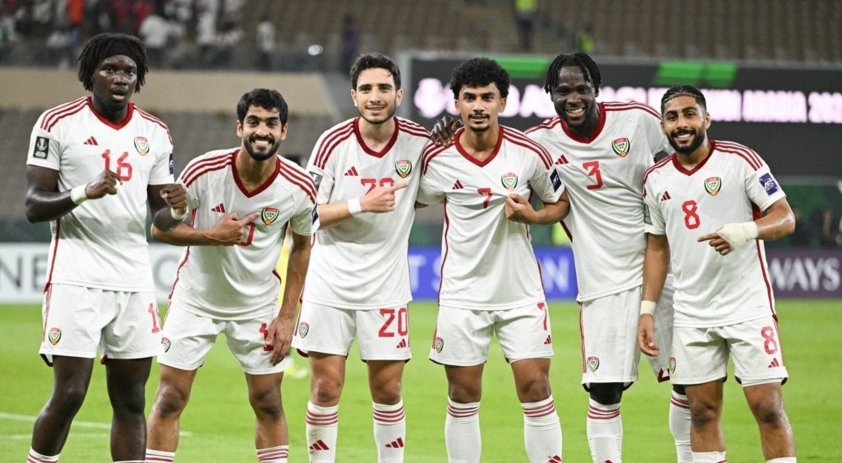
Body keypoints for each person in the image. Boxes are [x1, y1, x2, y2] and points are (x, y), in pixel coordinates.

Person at [432, 52, 690, 463]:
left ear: (596, 89)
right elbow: (496, 156)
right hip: (603, 283)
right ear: (549, 94)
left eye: (582, 88)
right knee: (605, 391)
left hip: (667, 271)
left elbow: (689, 147)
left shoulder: (637, 120)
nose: (574, 98)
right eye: (563, 90)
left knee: (691, 384)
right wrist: (445, 133)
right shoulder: (540, 143)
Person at [23, 33, 186, 463]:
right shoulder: (57, 123)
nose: (120, 78)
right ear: (90, 74)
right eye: (110, 69)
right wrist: (83, 192)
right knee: (70, 393)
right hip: (75, 273)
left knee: (132, 400)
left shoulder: (155, 132)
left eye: (129, 71)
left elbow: (160, 217)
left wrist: (178, 209)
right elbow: (34, 205)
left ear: (139, 78)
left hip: (133, 277)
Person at [144, 89, 316, 463]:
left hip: (256, 306)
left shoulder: (299, 187)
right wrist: (212, 235)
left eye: (271, 123)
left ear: (283, 131)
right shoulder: (204, 171)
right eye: (253, 121)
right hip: (196, 300)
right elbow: (161, 229)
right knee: (170, 397)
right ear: (240, 127)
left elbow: (303, 246)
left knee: (268, 401)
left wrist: (287, 316)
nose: (262, 131)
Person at [419, 57, 568, 463]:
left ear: (503, 102)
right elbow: (409, 202)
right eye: (470, 98)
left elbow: (559, 202)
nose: (479, 106)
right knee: (463, 393)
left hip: (520, 293)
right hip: (462, 294)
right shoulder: (438, 159)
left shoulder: (529, 153)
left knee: (536, 387)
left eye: (488, 97)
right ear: (457, 104)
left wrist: (533, 216)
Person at [638, 85, 797, 463]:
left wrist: (745, 231)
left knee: (768, 407)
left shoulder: (740, 160)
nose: (681, 123)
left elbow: (785, 217)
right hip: (692, 313)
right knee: (701, 411)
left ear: (706, 119)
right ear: (663, 127)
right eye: (672, 117)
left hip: (748, 306)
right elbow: (657, 248)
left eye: (689, 114)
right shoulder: (655, 179)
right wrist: (647, 309)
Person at [291, 53, 430, 463]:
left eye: (384, 88)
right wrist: (361, 204)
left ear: (399, 94)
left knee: (388, 389)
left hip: (386, 286)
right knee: (325, 388)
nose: (375, 96)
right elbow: (305, 215)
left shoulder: (418, 142)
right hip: (330, 282)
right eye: (366, 89)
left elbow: (431, 191)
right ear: (354, 96)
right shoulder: (332, 142)